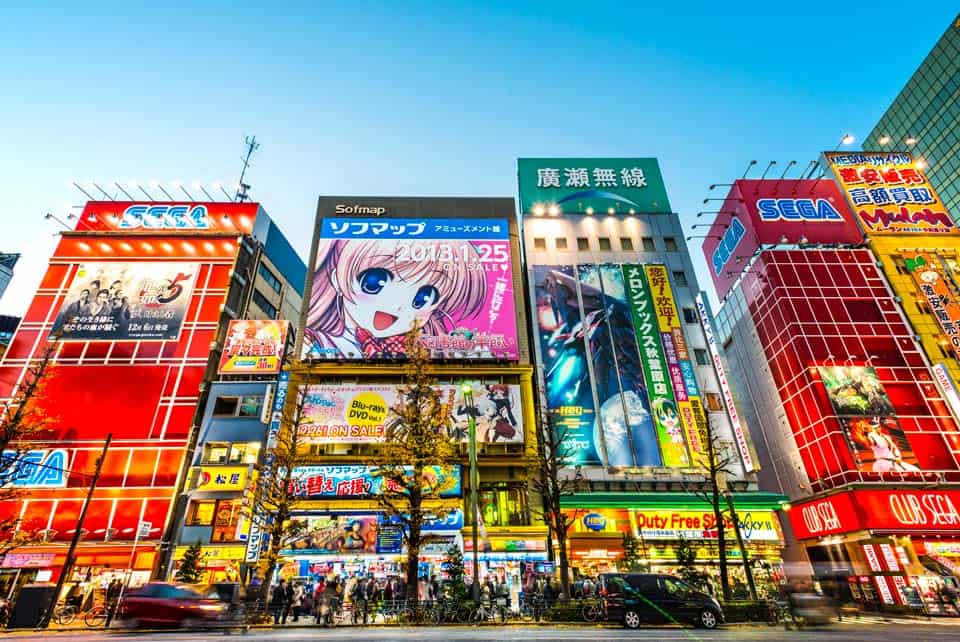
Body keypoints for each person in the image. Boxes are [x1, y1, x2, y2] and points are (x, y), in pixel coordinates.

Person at [302, 238, 488, 359]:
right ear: (336, 278)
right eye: (374, 282)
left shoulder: (425, 353)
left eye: (422, 299)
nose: (397, 305)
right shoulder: (315, 344)